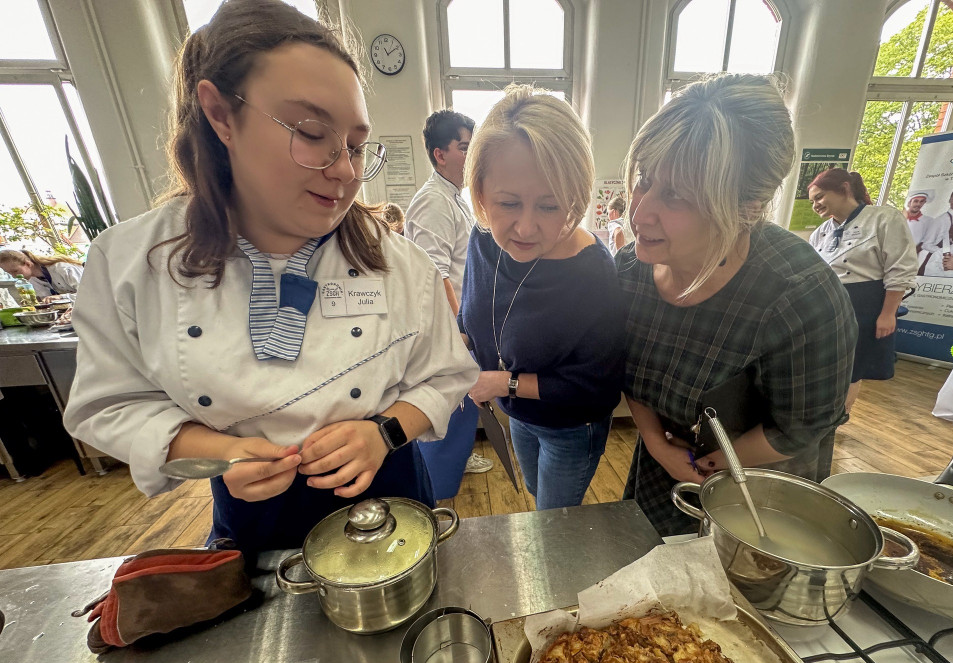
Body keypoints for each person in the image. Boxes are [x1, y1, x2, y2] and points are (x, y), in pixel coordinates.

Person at [62, 0, 478, 560]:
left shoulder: (399, 264)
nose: (344, 170)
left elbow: (447, 376)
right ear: (219, 115)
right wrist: (218, 452)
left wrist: (383, 433)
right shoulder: (133, 262)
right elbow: (110, 404)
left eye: (355, 146)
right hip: (254, 520)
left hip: (389, 502)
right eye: (311, 133)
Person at [616, 73, 856, 537]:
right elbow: (630, 375)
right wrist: (657, 445)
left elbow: (802, 426)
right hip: (663, 462)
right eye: (644, 181)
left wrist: (712, 462)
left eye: (677, 195)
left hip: (761, 485)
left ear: (749, 206)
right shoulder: (630, 271)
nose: (640, 212)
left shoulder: (802, 295)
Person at [461, 85, 625, 510]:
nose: (526, 228)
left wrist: (501, 382)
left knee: (554, 523)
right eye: (508, 203)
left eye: (549, 207)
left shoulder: (591, 272)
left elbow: (596, 388)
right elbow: (474, 322)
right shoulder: (482, 243)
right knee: (536, 497)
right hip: (518, 415)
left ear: (575, 197)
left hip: (572, 426)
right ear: (480, 193)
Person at [405, 109, 493, 490]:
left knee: (462, 409)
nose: (471, 156)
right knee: (448, 409)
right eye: (464, 148)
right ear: (440, 154)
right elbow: (434, 273)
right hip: (449, 330)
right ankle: (438, 491)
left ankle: (457, 459)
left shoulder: (453, 196)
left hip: (462, 325)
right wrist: (457, 327)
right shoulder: (433, 202)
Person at [808, 169, 917, 412]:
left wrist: (888, 313)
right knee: (824, 364)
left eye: (820, 197)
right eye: (813, 201)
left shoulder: (884, 218)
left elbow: (900, 269)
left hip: (864, 304)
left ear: (844, 189)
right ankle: (818, 412)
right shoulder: (822, 231)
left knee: (852, 367)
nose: (816, 205)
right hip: (826, 303)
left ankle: (838, 416)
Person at [919, 186, 953, 275]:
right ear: (950, 200)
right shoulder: (940, 220)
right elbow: (926, 245)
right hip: (935, 263)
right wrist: (943, 253)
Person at [0, 248, 84, 299]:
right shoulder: (31, 280)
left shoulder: (63, 269)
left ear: (28, 264)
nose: (14, 276)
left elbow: (91, 294)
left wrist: (61, 297)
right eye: (9, 273)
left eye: (15, 271)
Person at [903, 189, 934, 270]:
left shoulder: (929, 221)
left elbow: (927, 241)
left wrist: (912, 253)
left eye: (921, 201)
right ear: (909, 203)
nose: (918, 204)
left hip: (913, 260)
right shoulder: (898, 218)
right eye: (916, 201)